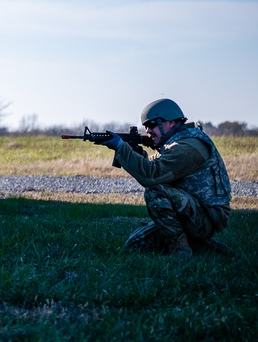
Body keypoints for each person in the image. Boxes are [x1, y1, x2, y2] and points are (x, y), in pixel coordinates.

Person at [96, 98, 231, 258]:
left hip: (207, 218)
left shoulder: (188, 146)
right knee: (135, 244)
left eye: (152, 124)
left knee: (155, 191)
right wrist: (138, 155)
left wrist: (121, 147)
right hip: (189, 211)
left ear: (171, 122)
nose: (148, 130)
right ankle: (197, 244)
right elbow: (156, 167)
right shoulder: (173, 144)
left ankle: (180, 251)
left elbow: (153, 176)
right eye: (145, 126)